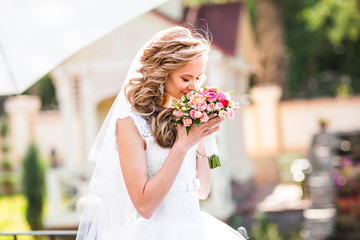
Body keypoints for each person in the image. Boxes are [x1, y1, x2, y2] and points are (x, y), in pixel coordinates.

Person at [76, 26, 245, 240]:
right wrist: (182, 146)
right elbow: (145, 207)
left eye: (197, 78)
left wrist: (204, 138)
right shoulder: (130, 124)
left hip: (199, 230)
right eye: (185, 78)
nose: (193, 87)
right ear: (162, 74)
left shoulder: (185, 117)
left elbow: (203, 191)